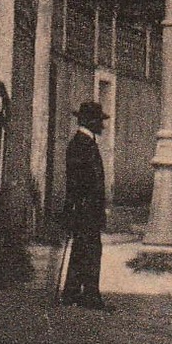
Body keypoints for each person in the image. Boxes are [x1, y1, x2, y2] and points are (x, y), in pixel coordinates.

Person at [61, 100, 111, 311]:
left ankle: (72, 292)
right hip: (86, 207)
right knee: (90, 250)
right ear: (90, 121)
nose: (103, 125)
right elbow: (78, 181)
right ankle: (89, 295)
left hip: (85, 207)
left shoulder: (82, 142)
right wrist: (79, 206)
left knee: (82, 249)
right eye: (99, 121)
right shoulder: (82, 144)